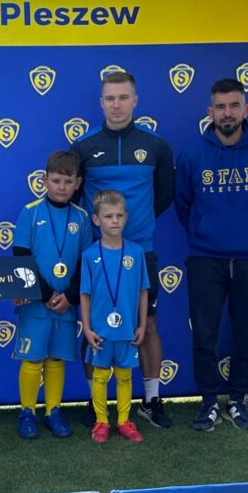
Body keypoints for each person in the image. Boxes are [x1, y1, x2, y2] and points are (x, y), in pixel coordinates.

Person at [174, 78, 248, 432]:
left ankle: (238, 399)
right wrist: (207, 233)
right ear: (210, 111)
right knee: (204, 334)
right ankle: (209, 401)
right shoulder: (192, 154)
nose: (227, 113)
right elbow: (183, 204)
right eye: (221, 107)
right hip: (205, 257)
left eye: (234, 105)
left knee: (246, 333)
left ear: (245, 109)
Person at [70, 71, 174, 429]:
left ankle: (151, 400)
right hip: (96, 254)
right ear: (101, 102)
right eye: (110, 98)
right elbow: (73, 197)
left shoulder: (156, 146)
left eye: (123, 97)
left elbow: (164, 196)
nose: (117, 105)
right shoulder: (83, 147)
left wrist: (135, 227)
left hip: (140, 250)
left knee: (148, 323)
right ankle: (94, 401)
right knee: (93, 325)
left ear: (135, 101)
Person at [12, 151, 92, 439]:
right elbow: (21, 256)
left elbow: (85, 261)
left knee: (57, 358)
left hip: (66, 304)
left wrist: (70, 296)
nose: (61, 186)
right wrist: (45, 294)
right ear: (44, 180)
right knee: (33, 359)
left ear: (78, 183)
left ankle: (53, 411)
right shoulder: (30, 212)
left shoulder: (82, 217)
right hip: (36, 303)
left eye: (68, 181)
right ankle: (27, 412)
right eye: (56, 180)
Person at [80, 190, 149, 444]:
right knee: (100, 376)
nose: (115, 221)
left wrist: (142, 324)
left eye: (119, 215)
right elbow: (85, 294)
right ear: (96, 220)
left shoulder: (136, 252)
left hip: (127, 329)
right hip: (100, 330)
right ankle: (101, 420)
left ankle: (123, 421)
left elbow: (143, 291)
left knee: (124, 376)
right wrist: (87, 328)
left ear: (126, 217)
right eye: (108, 216)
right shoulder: (89, 255)